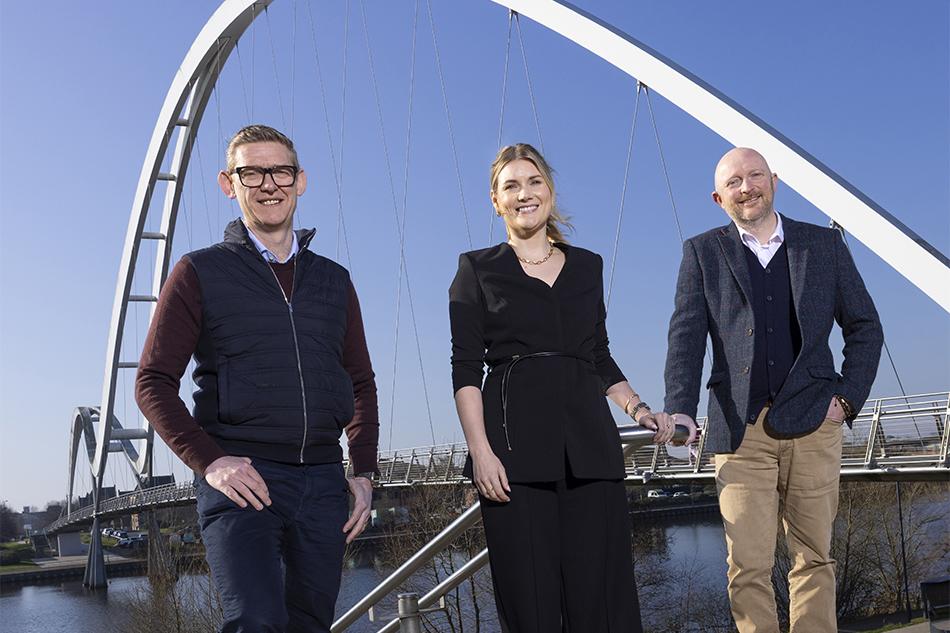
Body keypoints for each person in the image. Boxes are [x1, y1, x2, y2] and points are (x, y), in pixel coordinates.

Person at [135, 124, 379, 633]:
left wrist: (363, 472)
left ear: (301, 180)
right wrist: (210, 462)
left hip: (322, 481)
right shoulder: (198, 272)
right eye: (252, 172)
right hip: (243, 480)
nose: (269, 184)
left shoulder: (335, 280)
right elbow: (153, 381)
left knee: (311, 624)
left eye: (281, 171)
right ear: (229, 183)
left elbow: (360, 383)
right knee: (256, 621)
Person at [449, 143, 697, 632]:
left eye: (534, 181)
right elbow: (464, 369)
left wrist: (639, 408)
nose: (525, 194)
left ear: (550, 190)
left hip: (590, 448)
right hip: (512, 455)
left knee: (603, 600)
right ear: (495, 201)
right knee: (530, 603)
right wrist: (481, 451)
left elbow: (597, 353)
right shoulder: (476, 268)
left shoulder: (588, 266)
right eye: (511, 186)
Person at [663, 147, 883, 633]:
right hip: (739, 432)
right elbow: (685, 338)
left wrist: (845, 400)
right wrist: (679, 409)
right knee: (747, 567)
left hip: (813, 425)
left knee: (814, 558)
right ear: (718, 197)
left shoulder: (822, 245)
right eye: (735, 182)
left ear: (774, 180)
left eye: (755, 175)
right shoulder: (701, 253)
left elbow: (865, 326)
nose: (747, 188)